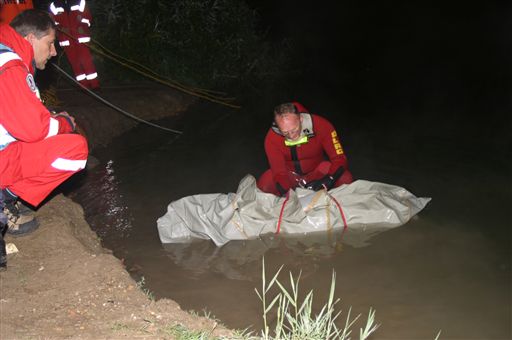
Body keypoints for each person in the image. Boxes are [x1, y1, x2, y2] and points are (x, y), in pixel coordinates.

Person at [0, 9, 89, 270]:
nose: (53, 53)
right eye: (50, 44)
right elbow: (32, 130)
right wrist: (64, 123)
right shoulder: (9, 65)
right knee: (75, 148)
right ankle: (5, 199)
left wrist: (48, 118)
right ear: (30, 38)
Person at [257, 102, 353, 196]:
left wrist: (329, 180)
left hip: (317, 171)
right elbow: (279, 172)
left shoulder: (322, 125)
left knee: (345, 178)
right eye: (285, 132)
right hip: (290, 175)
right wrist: (287, 193)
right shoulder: (271, 138)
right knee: (264, 185)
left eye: (294, 130)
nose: (292, 136)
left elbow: (339, 158)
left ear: (301, 119)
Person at [49, 0, 99, 89]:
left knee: (87, 62)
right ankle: (83, 86)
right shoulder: (54, 5)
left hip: (81, 38)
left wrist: (82, 25)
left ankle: (95, 85)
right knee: (75, 64)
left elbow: (88, 17)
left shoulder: (80, 1)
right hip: (66, 39)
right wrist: (61, 28)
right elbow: (53, 22)